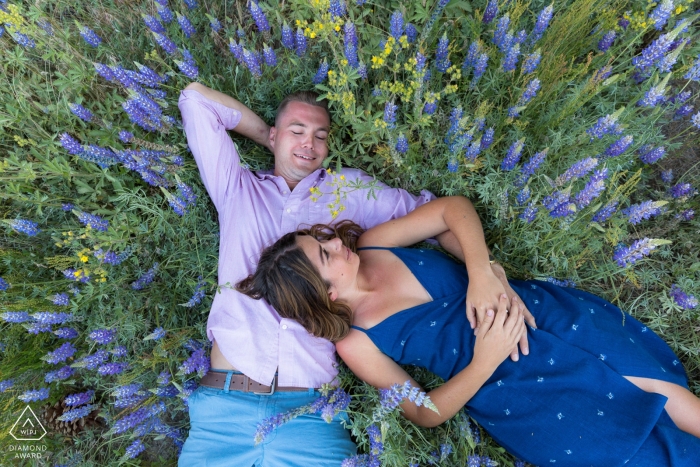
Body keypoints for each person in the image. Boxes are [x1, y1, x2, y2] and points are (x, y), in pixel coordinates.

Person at [176, 84, 531, 466]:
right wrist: (272, 139)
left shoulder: (350, 189)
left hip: (312, 412)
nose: (308, 144)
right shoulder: (238, 189)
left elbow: (438, 219)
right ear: (276, 134)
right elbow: (195, 99)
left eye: (320, 136)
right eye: (297, 131)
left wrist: (486, 270)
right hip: (226, 409)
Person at [237, 195, 700, 466]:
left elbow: (452, 210)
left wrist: (481, 272)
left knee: (668, 396)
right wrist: (485, 359)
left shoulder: (374, 244)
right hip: (511, 384)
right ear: (326, 294)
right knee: (629, 448)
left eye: (322, 239)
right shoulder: (356, 343)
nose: (335, 242)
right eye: (325, 255)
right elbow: (425, 411)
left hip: (535, 315)